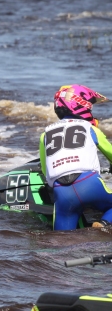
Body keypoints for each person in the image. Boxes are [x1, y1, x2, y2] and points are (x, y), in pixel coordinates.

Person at [39, 84, 112, 230]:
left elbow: (44, 170)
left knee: (63, 240)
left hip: (62, 193)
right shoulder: (90, 128)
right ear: (82, 105)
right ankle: (103, 225)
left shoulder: (45, 134)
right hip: (90, 183)